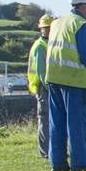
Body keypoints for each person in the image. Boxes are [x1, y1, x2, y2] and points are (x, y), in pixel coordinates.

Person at [46, 0, 86, 171]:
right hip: (74, 80)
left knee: (57, 123)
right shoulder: (80, 24)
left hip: (54, 78)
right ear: (83, 6)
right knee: (77, 124)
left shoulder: (56, 23)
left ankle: (57, 164)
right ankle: (80, 164)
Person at [26, 14, 53, 159]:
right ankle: (45, 153)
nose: (48, 30)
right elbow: (43, 73)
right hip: (44, 88)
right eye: (46, 28)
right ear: (41, 29)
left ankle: (50, 151)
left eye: (50, 28)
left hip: (46, 88)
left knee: (48, 120)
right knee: (45, 121)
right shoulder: (41, 46)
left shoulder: (47, 44)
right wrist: (52, 89)